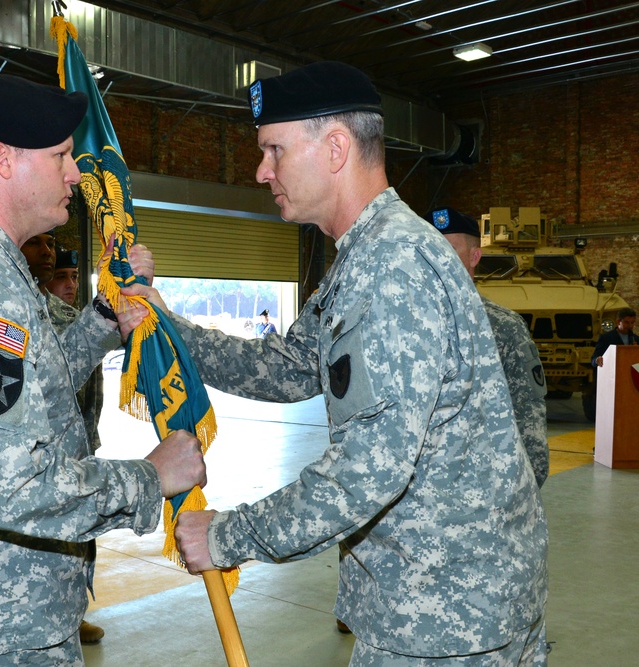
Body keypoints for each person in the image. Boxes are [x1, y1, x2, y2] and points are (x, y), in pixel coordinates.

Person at [119, 62, 548, 664]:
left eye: (274, 149)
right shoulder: (364, 257)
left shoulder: (392, 267)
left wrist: (227, 536)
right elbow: (288, 366)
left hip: (447, 616)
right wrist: (168, 323)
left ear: (336, 147)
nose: (262, 170)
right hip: (440, 602)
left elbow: (367, 470)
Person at [0, 74, 206, 666]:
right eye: (59, 155)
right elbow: (12, 487)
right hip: (0, 626)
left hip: (3, 613)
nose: (77, 174)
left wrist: (104, 318)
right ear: (3, 159)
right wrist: (149, 478)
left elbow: (32, 386)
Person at [425, 206, 549, 488]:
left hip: (476, 494)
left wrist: (521, 492)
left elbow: (527, 416)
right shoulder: (402, 325)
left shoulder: (503, 327)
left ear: (474, 256)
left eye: (449, 250)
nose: (437, 260)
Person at [20, 236, 105, 645]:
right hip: (41, 456)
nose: (47, 251)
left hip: (80, 445)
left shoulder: (68, 315)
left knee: (79, 537)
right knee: (47, 542)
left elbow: (90, 387)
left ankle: (75, 610)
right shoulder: (20, 315)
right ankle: (52, 617)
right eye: (37, 244)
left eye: (52, 244)